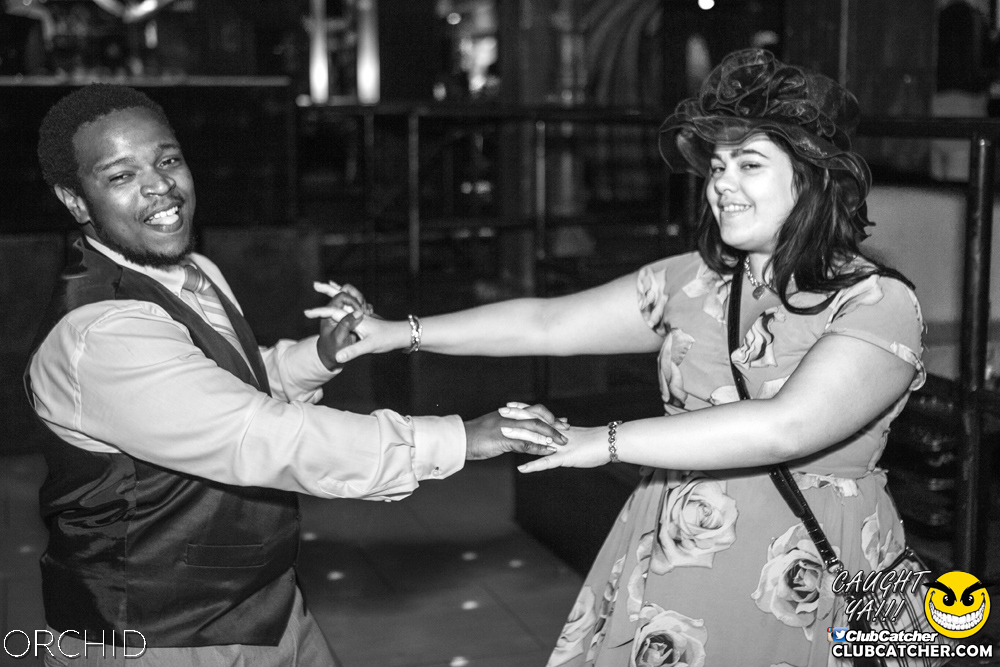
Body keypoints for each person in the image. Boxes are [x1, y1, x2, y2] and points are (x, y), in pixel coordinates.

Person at [314, 49, 939, 666]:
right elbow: (547, 322)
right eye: (717, 167)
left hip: (813, 571)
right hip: (682, 555)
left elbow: (787, 427)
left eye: (749, 164)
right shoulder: (696, 281)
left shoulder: (878, 303)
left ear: (814, 177)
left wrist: (603, 441)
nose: (722, 184)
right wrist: (397, 332)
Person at [24, 83, 566, 666]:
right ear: (76, 201)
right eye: (121, 175)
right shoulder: (102, 334)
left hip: (262, 605)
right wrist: (458, 438)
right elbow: (258, 435)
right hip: (150, 635)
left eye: (168, 160)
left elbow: (225, 386)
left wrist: (321, 355)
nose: (160, 186)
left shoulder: (190, 269)